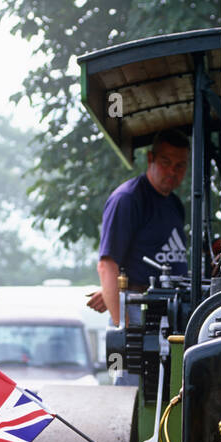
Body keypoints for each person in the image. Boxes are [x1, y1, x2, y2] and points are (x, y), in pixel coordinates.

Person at [87, 130, 190, 326]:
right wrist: (123, 328)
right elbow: (107, 265)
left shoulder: (175, 204)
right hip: (137, 310)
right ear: (150, 158)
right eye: (166, 162)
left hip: (172, 310)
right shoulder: (127, 199)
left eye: (180, 166)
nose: (172, 172)